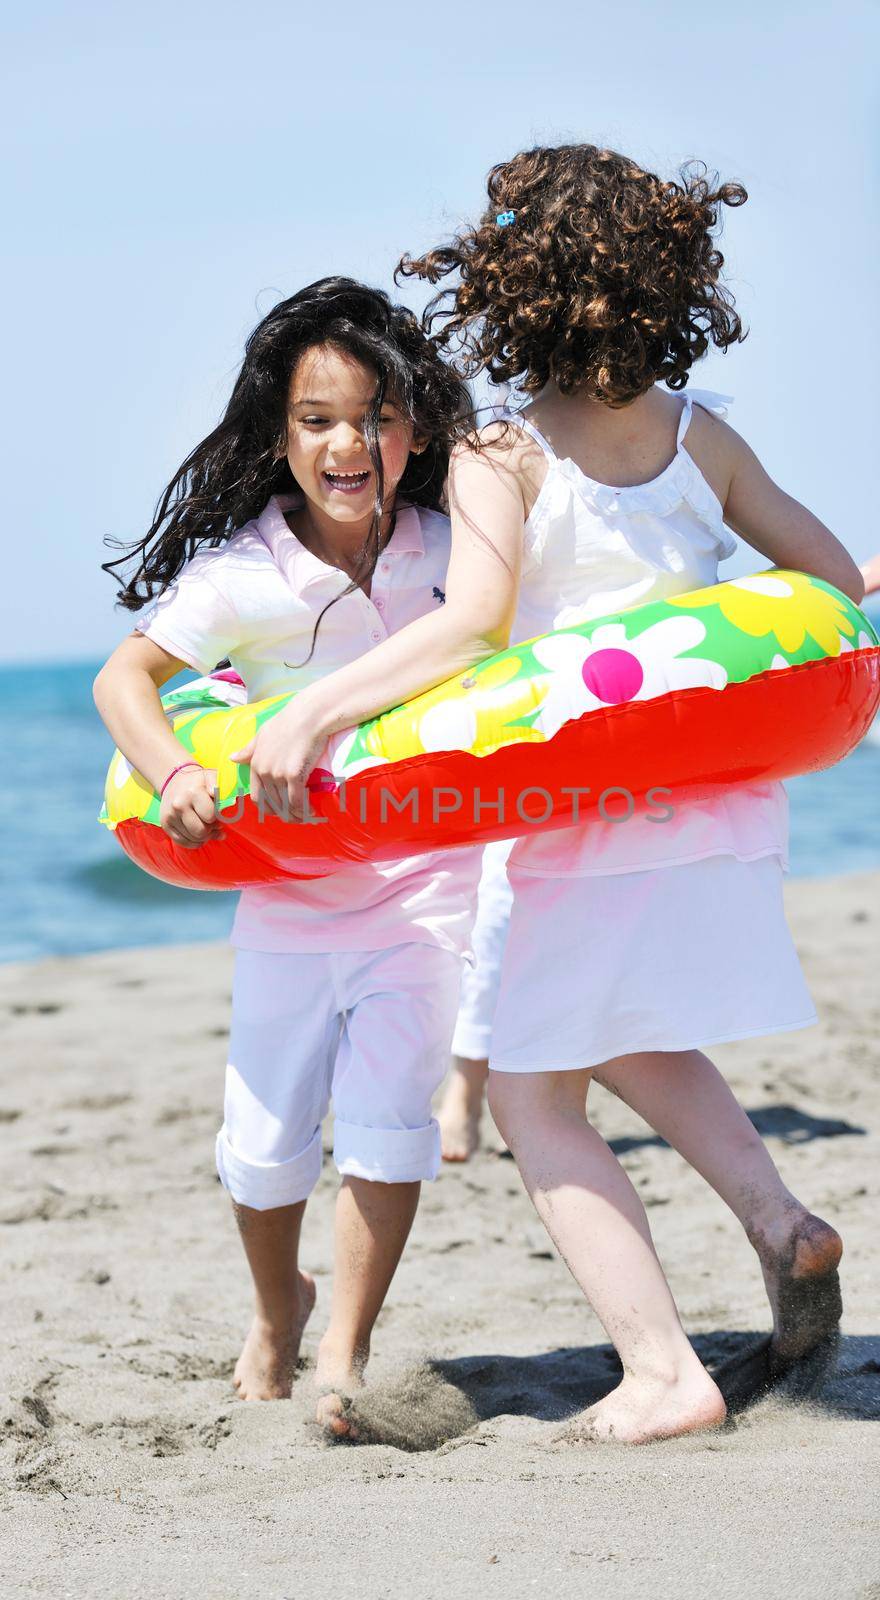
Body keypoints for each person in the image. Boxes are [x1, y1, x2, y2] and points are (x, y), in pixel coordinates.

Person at [234, 147, 864, 1444]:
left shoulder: (499, 452)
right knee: (621, 1037)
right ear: (665, 287)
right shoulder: (702, 436)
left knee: (529, 1094)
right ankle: (779, 1222)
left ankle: (661, 1373)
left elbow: (471, 628)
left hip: (585, 817)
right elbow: (834, 577)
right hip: (712, 814)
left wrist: (313, 706)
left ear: (505, 292)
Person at [92, 277, 483, 1437]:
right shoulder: (245, 575)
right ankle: (280, 1308)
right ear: (282, 434)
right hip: (291, 892)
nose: (347, 443)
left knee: (388, 1123)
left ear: (414, 430)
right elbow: (124, 679)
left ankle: (346, 1357)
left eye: (372, 416)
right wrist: (174, 772)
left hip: (426, 886)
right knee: (263, 1152)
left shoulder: (458, 552)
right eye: (317, 419)